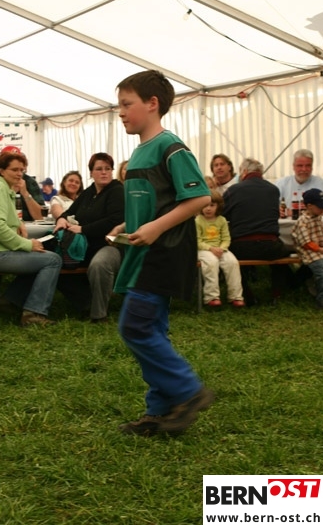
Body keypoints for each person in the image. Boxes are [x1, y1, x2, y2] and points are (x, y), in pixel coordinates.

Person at [110, 69, 214, 437]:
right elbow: (157, 203)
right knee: (151, 328)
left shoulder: (171, 146)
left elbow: (199, 197)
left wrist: (154, 228)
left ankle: (188, 391)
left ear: (152, 104)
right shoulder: (140, 151)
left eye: (127, 104)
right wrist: (129, 224)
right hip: (146, 251)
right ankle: (161, 411)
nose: (121, 112)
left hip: (164, 252)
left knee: (135, 326)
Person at [0, 150, 62, 326]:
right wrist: (27, 244)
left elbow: (3, 218)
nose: (19, 174)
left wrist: (18, 223)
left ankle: (9, 301)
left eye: (22, 170)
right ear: (1, 170)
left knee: (42, 258)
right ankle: (34, 312)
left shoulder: (2, 187)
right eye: (14, 169)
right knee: (53, 260)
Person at [54, 153, 124, 323]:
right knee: (55, 264)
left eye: (108, 168)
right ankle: (86, 303)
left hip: (109, 245)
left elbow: (115, 219)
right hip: (86, 246)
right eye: (99, 169)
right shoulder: (88, 192)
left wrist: (83, 229)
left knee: (99, 265)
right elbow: (70, 211)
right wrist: (61, 218)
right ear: (91, 173)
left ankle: (99, 315)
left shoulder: (117, 190)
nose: (104, 172)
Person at [223, 157, 291, 306]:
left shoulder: (233, 190)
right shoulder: (273, 190)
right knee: (287, 251)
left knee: (230, 256)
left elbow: (223, 214)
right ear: (260, 172)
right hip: (270, 247)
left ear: (244, 172)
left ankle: (248, 295)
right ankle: (277, 293)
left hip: (242, 248)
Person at [196, 190, 244, 308]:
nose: (208, 208)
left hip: (220, 249)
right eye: (205, 205)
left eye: (212, 205)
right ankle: (211, 297)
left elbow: (226, 238)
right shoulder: (198, 221)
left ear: (218, 206)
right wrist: (211, 248)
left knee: (232, 262)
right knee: (211, 263)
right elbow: (197, 241)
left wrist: (222, 248)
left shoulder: (222, 220)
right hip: (203, 249)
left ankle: (236, 296)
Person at [292, 188, 323, 309]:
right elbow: (306, 243)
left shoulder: (318, 217)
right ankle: (320, 301)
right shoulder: (302, 222)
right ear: (309, 206)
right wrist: (320, 249)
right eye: (320, 207)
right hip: (309, 252)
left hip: (318, 248)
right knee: (321, 272)